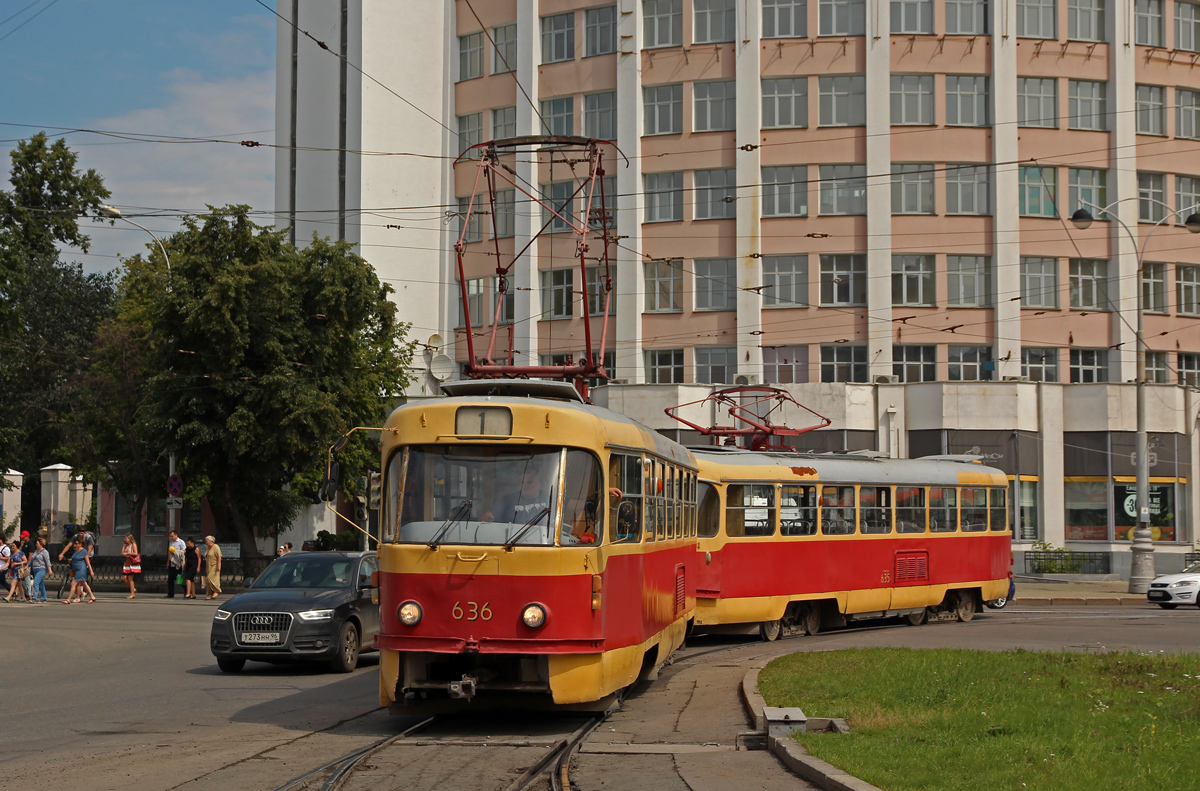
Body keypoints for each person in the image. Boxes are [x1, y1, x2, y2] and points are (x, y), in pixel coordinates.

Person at [61, 538, 96, 604]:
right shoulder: (76, 551)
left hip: (81, 570)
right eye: (74, 543)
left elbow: (87, 561)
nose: (75, 545)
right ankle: (92, 597)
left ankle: (68, 599)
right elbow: (73, 559)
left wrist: (91, 571)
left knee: (73, 583)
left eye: (76, 543)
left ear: (80, 544)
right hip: (76, 570)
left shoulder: (84, 551)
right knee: (84, 584)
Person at [29, 538, 51, 603]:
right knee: (41, 584)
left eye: (37, 544)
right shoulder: (36, 551)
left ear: (41, 544)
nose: (36, 545)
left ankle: (34, 597)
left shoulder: (45, 552)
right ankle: (43, 598)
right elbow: (32, 560)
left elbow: (47, 562)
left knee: (36, 582)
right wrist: (27, 566)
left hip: (42, 569)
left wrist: (49, 570)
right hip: (35, 569)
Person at [165, 530, 186, 598]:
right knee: (170, 579)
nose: (171, 538)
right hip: (172, 562)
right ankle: (170, 593)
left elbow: (184, 551)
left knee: (179, 577)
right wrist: (168, 562)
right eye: (170, 536)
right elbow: (169, 553)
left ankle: (186, 591)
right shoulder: (171, 543)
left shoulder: (180, 542)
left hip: (178, 562)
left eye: (172, 536)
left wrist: (176, 552)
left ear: (176, 535)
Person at [120, 534, 141, 599]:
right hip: (127, 562)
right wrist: (123, 546)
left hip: (132, 562)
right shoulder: (127, 546)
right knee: (123, 577)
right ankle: (133, 589)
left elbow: (135, 553)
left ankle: (132, 593)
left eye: (126, 538)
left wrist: (127, 553)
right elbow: (122, 553)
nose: (125, 540)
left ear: (130, 539)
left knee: (130, 578)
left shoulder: (133, 544)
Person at [203, 536, 222, 600]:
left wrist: (218, 565)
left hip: (214, 565)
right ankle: (211, 593)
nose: (206, 542)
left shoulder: (216, 547)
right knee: (208, 581)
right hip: (209, 566)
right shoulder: (208, 548)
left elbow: (219, 556)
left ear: (211, 541)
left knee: (211, 578)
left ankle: (216, 590)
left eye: (207, 541)